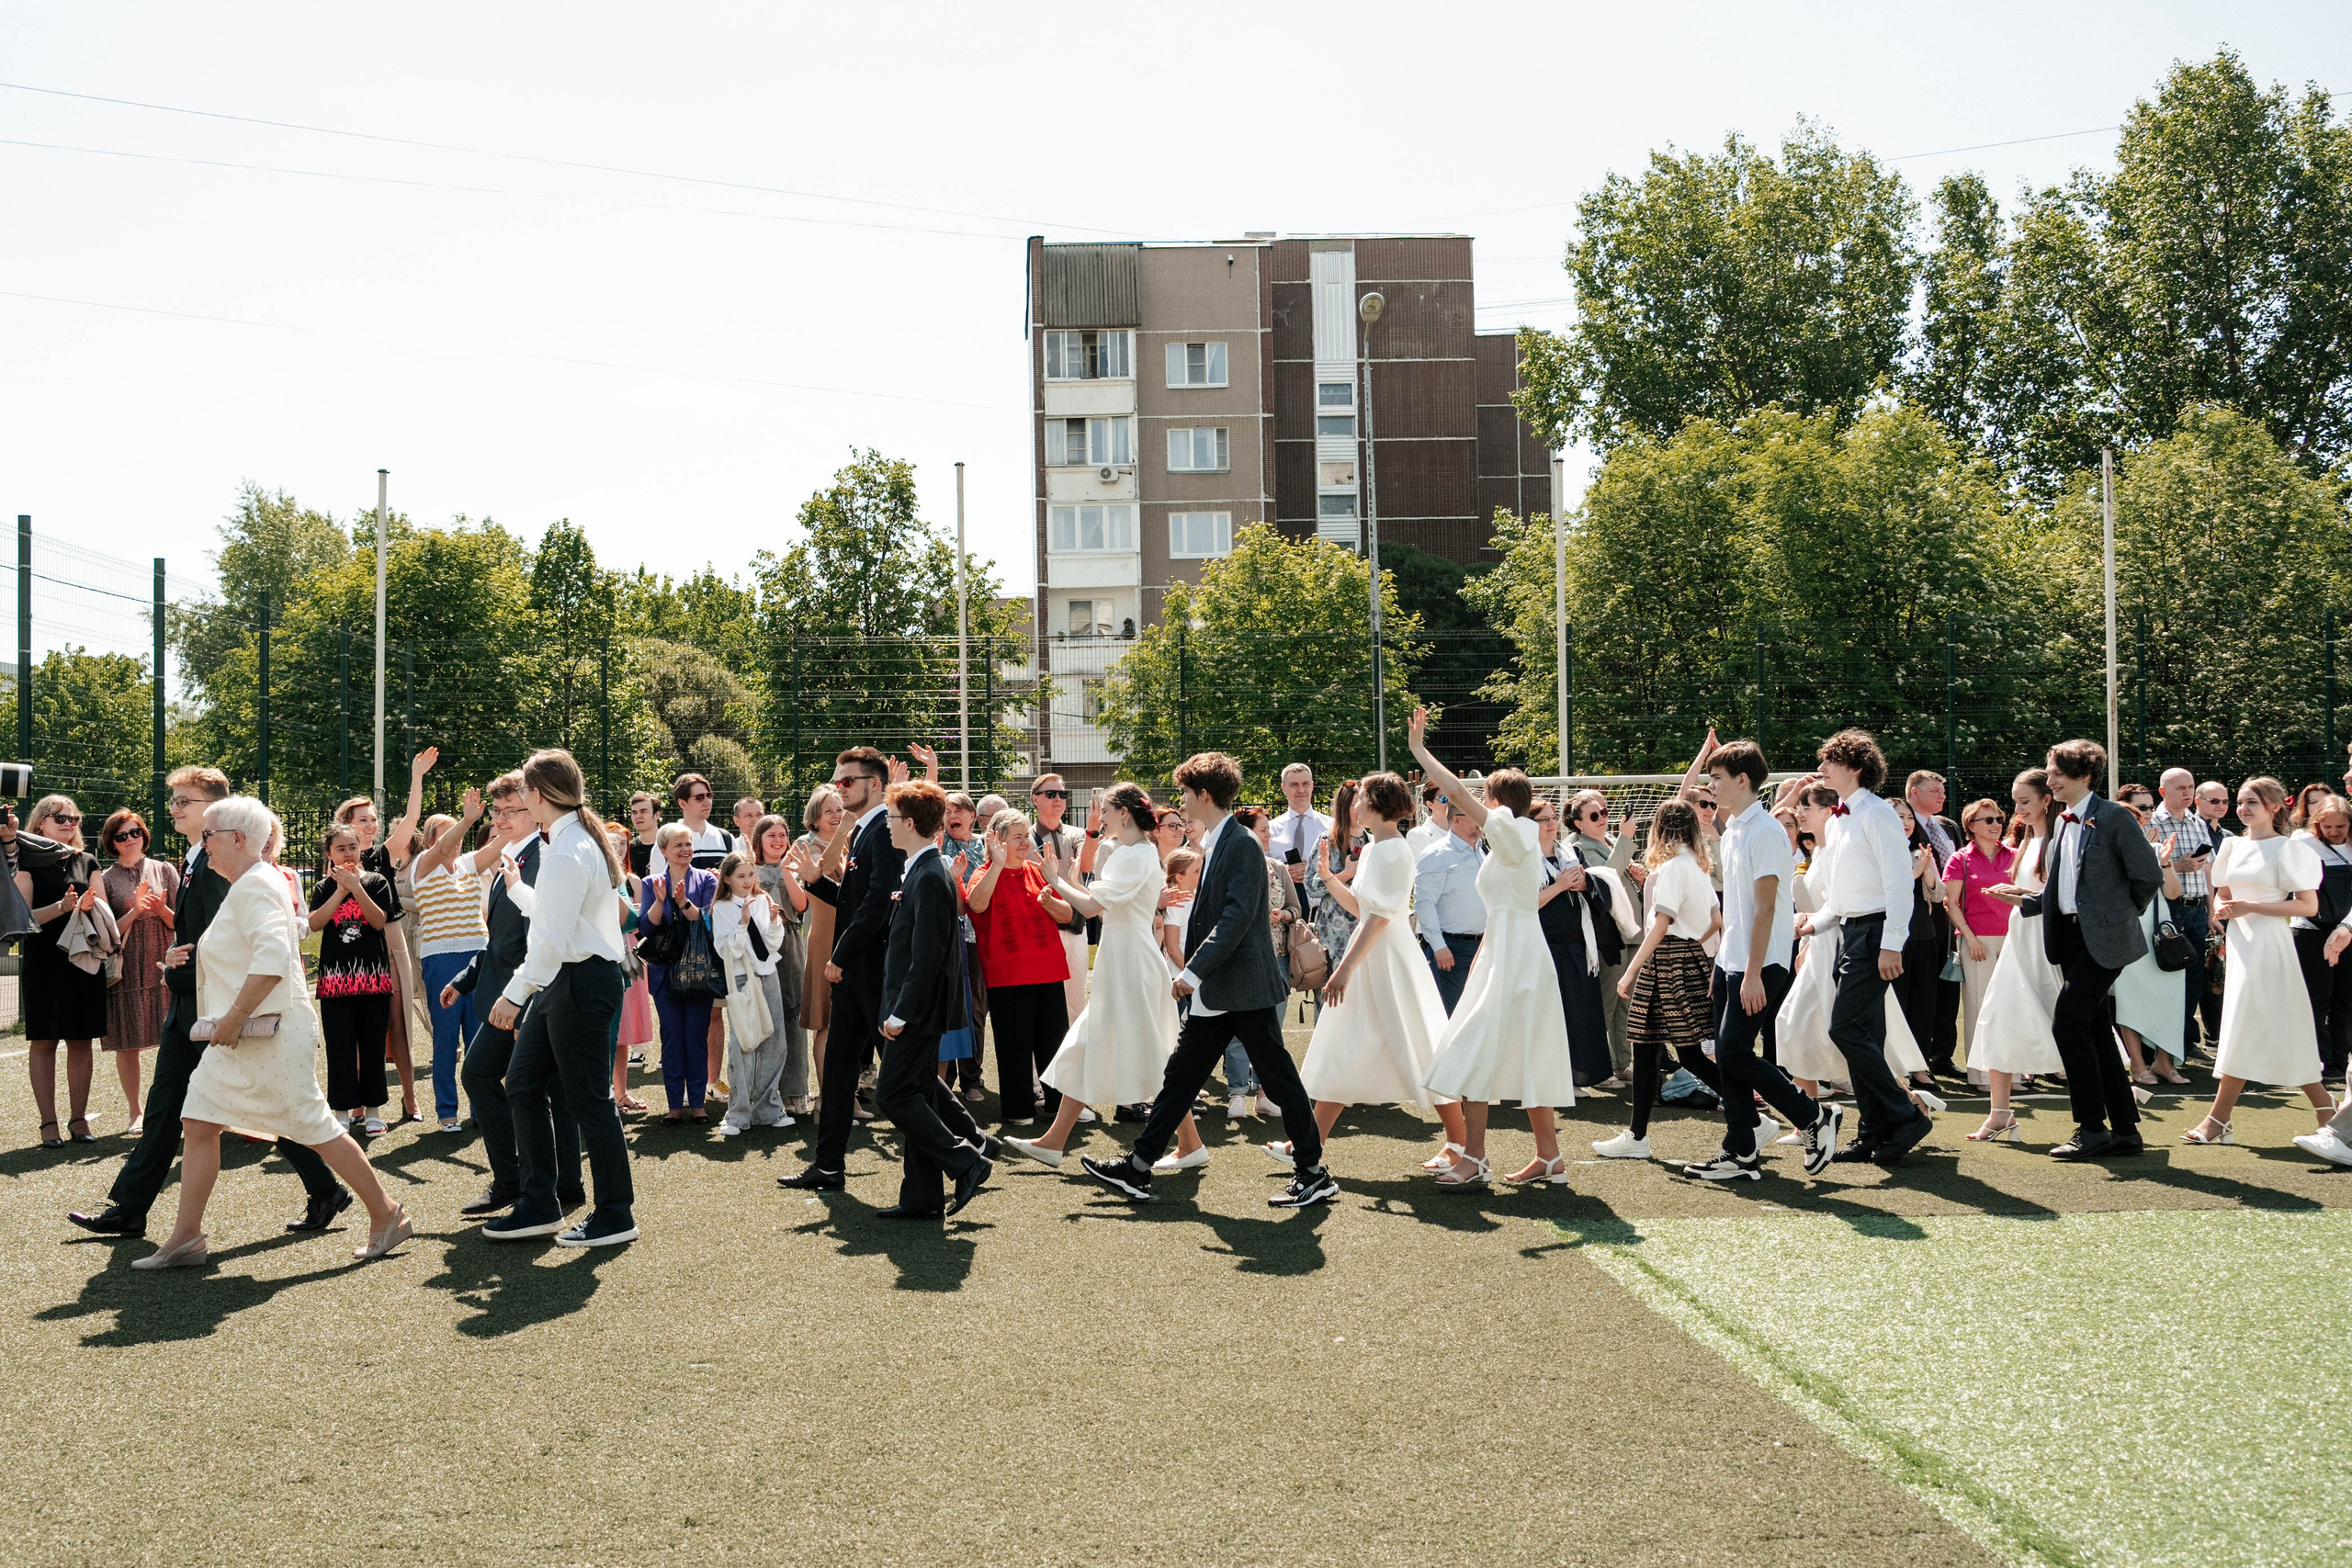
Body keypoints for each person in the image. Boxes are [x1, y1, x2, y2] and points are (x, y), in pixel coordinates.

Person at [126, 795, 413, 1269]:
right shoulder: (249, 883)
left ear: (238, 839)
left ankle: (386, 1213)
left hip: (267, 1033)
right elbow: (242, 954)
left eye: (208, 837)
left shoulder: (257, 884)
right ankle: (186, 1237)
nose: (203, 846)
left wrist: (234, 1018)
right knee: (198, 1122)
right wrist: (189, 960)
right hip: (241, 1034)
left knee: (315, 1127)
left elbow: (274, 961)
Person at [70, 768, 349, 1240]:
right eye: (174, 800)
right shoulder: (199, 856)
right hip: (190, 1006)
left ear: (213, 810)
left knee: (264, 1102)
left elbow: (237, 936)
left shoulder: (224, 863)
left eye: (185, 801)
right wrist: (179, 951)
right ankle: (130, 1209)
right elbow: (201, 929)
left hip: (214, 1009)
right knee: (167, 1108)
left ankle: (332, 1189)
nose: (174, 808)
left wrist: (191, 958)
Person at [1081, 751, 1334, 1209]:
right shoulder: (1219, 841)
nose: (1179, 801)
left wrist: (1192, 971)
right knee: (1180, 1078)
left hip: (1240, 987)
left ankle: (1313, 1171)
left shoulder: (1236, 844)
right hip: (1223, 990)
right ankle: (1138, 1168)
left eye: (1183, 792)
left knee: (1278, 1080)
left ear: (1203, 795)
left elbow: (1236, 917)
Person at [1262, 771, 1469, 1171]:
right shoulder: (1374, 849)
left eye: (1358, 798)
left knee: (1420, 1044)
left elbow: (1379, 920)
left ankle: (1460, 1143)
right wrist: (1325, 877)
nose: (1353, 804)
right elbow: (1362, 909)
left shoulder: (1393, 850)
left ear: (1375, 804)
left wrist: (1344, 971)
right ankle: (1307, 1144)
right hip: (1369, 957)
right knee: (1343, 1046)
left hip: (1387, 962)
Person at [1406, 711, 1574, 1188]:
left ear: (1497, 801)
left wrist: (1420, 751)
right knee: (1520, 1052)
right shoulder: (1509, 839)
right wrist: (1482, 956)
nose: (1475, 804)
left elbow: (1455, 793)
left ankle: (1475, 1158)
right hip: (1505, 953)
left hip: (1518, 957)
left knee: (1475, 1048)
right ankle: (1548, 1157)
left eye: (1485, 798)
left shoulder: (1509, 829)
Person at [481, 748, 637, 1248]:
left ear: (542, 795)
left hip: (579, 983)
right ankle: (540, 1204)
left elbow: (551, 940)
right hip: (567, 983)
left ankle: (615, 1214)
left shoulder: (569, 849)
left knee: (590, 1102)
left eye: (524, 792)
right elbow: (559, 919)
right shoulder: (564, 842)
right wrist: (519, 889)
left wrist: (514, 994)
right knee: (523, 1085)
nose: (520, 799)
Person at [1005, 783, 1205, 1172]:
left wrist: (1054, 878)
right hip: (1123, 958)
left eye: (1107, 810)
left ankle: (1190, 1144)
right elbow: (1097, 899)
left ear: (1126, 813)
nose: (1101, 816)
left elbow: (1093, 906)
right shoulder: (1133, 853)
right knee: (1088, 1046)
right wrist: (1064, 882)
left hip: (1132, 963)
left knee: (1152, 1055)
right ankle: (1054, 1142)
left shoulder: (1135, 854)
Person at [1678, 742, 1844, 1179]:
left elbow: (1766, 908)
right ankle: (1741, 1150)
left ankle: (1813, 1116)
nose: (1710, 785)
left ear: (1743, 780)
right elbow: (1737, 908)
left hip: (1762, 962)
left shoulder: (1766, 831)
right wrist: (1724, 967)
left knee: (1732, 1052)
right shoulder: (1733, 827)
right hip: (1734, 961)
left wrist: (1751, 972)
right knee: (1728, 1055)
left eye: (1717, 778)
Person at [441, 774, 582, 1220]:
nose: (499, 819)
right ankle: (564, 1184)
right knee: (552, 1088)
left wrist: (522, 1003)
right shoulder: (514, 856)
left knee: (481, 1075)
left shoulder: (540, 859)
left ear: (534, 809)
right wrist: (465, 979)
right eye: (496, 811)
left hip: (528, 996)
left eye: (510, 811)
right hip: (522, 993)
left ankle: (515, 1180)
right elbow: (500, 941)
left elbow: (537, 943)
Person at [2020, 739, 2162, 1159]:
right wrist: (2029, 901)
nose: (2051, 780)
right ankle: (2125, 1132)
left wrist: (2116, 917)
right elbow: (2064, 887)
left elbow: (2147, 877)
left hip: (2102, 940)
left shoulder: (2115, 816)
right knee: (2096, 1030)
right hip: (2069, 939)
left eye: (2058, 773)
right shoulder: (2062, 820)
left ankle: (2091, 1129)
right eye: (2049, 772)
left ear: (2084, 776)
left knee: (2068, 1024)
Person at [2183, 777, 2336, 1147]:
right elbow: (2223, 892)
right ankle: (2326, 1110)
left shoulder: (2289, 848)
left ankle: (2218, 1120)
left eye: (2251, 802)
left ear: (2273, 807)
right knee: (2252, 1026)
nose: (2243, 808)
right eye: (2240, 802)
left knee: (2254, 1026)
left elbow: (2307, 906)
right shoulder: (2232, 847)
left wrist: (2251, 907)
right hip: (2240, 944)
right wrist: (2223, 907)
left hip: (2271, 946)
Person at [869, 780, 997, 1218]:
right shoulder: (927, 869)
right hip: (923, 1008)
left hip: (917, 1011)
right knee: (918, 1093)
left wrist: (900, 1013)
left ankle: (966, 1159)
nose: (886, 826)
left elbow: (925, 958)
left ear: (908, 823)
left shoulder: (928, 874)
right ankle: (922, 1198)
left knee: (895, 1096)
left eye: (889, 818)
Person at [1808, 729, 1935, 1166]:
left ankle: (1905, 1116)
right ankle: (1874, 1130)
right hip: (1852, 931)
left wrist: (1891, 944)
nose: (1821, 768)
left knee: (1844, 1029)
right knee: (1867, 1035)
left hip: (1876, 934)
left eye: (1830, 761)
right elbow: (1844, 896)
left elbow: (1898, 883)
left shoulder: (1878, 814)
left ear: (1855, 769)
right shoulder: (1841, 817)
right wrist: (1813, 924)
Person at [780, 748, 901, 1192]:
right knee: (836, 1074)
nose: (838, 788)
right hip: (854, 974)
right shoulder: (864, 832)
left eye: (847, 781)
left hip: (870, 971)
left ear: (874, 785)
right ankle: (828, 1165)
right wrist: (816, 881)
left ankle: (967, 1148)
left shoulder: (883, 831)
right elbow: (852, 899)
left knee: (904, 1075)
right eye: (837, 782)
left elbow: (875, 907)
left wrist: (839, 956)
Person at [1599, 801, 1722, 1162]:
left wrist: (1632, 968)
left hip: (1665, 964)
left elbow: (1661, 924)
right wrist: (1691, 948)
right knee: (1654, 1048)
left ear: (1659, 829)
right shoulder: (1697, 869)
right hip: (1684, 960)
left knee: (1683, 1053)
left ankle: (1748, 1113)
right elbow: (1716, 921)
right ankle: (1637, 1136)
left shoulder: (1671, 868)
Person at [1962, 771, 2064, 1141]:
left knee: (2070, 1025)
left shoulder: (2056, 840)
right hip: (2019, 937)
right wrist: (2016, 894)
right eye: (2015, 801)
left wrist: (2020, 895)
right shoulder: (2028, 840)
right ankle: (2000, 1113)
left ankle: (2112, 1102)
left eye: (2023, 802)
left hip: (2047, 944)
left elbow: (2057, 896)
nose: (2016, 810)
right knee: (1999, 1017)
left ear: (2045, 801)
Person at [964, 807, 1074, 1126]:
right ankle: (1018, 1109)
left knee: (1053, 1043)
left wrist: (1051, 903)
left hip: (1049, 970)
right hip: (1008, 975)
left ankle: (1056, 1106)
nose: (1026, 841)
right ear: (997, 840)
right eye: (1018, 837)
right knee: (1014, 1045)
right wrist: (998, 865)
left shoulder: (1039, 870)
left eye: (1027, 836)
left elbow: (1067, 915)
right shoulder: (983, 872)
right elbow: (977, 905)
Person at [13, 795, 106, 1146]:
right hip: (44, 962)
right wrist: (61, 906)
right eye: (60, 817)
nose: (69, 823)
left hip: (83, 962)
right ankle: (48, 1124)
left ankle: (79, 1120)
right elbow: (22, 920)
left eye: (74, 818)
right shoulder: (26, 863)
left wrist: (90, 908)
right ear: (40, 824)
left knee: (81, 1041)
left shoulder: (88, 861)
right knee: (44, 1042)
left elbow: (103, 911)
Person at [309, 824, 398, 1137]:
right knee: (340, 1049)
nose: (348, 853)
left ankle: (373, 1112)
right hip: (335, 983)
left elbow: (378, 921)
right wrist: (340, 890)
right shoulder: (322, 887)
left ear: (361, 850)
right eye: (341, 848)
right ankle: (342, 1113)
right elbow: (316, 923)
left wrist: (357, 888)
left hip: (373, 980)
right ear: (330, 854)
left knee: (372, 1047)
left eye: (353, 847)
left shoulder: (377, 882)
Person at [406, 812, 490, 1133]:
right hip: (441, 960)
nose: (455, 844)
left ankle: (481, 1108)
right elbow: (442, 850)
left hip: (478, 955)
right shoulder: (423, 866)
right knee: (446, 1038)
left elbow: (501, 843)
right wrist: (468, 820)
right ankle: (447, 1111)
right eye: (447, 836)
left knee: (479, 1037)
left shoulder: (469, 863)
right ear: (430, 840)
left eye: (457, 837)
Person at [98, 808, 178, 1138]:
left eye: (135, 832)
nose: (130, 839)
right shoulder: (105, 879)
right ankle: (136, 1112)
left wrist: (160, 909)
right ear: (111, 843)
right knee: (127, 1044)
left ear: (144, 835)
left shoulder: (165, 869)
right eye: (122, 835)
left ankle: (176, 1109)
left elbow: (182, 923)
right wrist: (134, 911)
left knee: (174, 1042)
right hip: (126, 971)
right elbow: (106, 933)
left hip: (164, 966)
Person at [1532, 799, 1617, 1089]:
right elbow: (1525, 903)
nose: (1551, 824)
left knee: (1584, 1012)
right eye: (1543, 820)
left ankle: (1589, 1074)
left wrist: (1583, 884)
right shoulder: (1524, 858)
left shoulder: (1571, 850)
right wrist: (1559, 885)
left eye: (1553, 818)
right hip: (1546, 945)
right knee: (1557, 1014)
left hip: (1580, 943)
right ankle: (1560, 1079)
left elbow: (1594, 888)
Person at [711, 850, 795, 1138]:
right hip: (741, 977)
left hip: (768, 974)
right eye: (741, 876)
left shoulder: (762, 900)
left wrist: (773, 922)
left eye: (750, 874)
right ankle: (737, 1113)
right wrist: (743, 921)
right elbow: (726, 951)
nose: (748, 881)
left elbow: (771, 947)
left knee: (774, 1040)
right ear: (728, 880)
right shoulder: (721, 907)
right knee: (744, 1042)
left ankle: (768, 1109)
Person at [640, 821, 719, 1124]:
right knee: (672, 1038)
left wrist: (684, 901)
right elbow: (647, 928)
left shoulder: (707, 880)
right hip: (664, 972)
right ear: (664, 851)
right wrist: (660, 902)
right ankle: (675, 1105)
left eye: (688, 844)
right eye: (678, 845)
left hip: (699, 971)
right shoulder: (651, 884)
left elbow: (705, 920)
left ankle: (697, 1104)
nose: (686, 849)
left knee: (695, 1037)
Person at [2112, 797, 2191, 1086]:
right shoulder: (2105, 854)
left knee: (2169, 998)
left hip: (2159, 932)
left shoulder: (2157, 850)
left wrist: (2165, 861)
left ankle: (2164, 1063)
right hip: (2125, 932)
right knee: (2130, 999)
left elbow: (2172, 893)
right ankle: (2137, 1064)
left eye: (2136, 821)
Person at [669, 773, 734, 1103]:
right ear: (682, 803)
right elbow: (660, 888)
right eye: (699, 797)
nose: (707, 801)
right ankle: (682, 1087)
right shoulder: (668, 839)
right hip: (680, 943)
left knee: (714, 1012)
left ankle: (713, 1081)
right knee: (681, 1016)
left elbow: (738, 884)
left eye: (709, 795)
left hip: (715, 939)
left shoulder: (725, 838)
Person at [1939, 799, 2016, 1082]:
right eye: (1989, 820)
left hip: (2012, 940)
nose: (1996, 824)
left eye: (1998, 819)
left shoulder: (2014, 855)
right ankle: (1981, 1076)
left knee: (2011, 1005)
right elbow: (1952, 903)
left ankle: (2015, 1074)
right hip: (1977, 941)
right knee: (1979, 1007)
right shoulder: (1960, 858)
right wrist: (1970, 939)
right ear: (1971, 826)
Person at [2149, 768, 2220, 1058]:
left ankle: (2186, 1041)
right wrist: (2177, 866)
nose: (2187, 792)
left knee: (2194, 978)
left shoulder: (2197, 821)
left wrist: (2211, 909)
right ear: (2163, 791)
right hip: (2168, 909)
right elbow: (2145, 870)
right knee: (2165, 976)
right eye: (2180, 787)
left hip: (2196, 909)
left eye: (2190, 786)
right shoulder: (2152, 822)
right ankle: (2160, 1043)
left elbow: (2208, 868)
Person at [1566, 789, 1636, 1082]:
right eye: (1595, 815)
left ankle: (1621, 1062)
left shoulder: (1606, 842)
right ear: (1579, 823)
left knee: (1626, 1003)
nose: (1603, 818)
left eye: (1605, 812)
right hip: (1607, 936)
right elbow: (1604, 879)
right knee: (1606, 1002)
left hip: (1628, 933)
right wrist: (1626, 839)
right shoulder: (1577, 847)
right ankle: (1594, 1068)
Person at [750, 814, 813, 1114]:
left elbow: (801, 906)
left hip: (789, 943)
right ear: (758, 841)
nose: (778, 841)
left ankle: (796, 1092)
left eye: (782, 835)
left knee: (792, 1015)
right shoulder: (748, 871)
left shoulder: (793, 870)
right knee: (762, 1017)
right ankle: (762, 1090)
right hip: (758, 946)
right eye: (770, 836)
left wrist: (788, 869)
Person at [1905, 769, 1964, 1077]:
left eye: (1943, 791)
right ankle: (1920, 1057)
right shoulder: (1902, 824)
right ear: (1914, 792)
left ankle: (1943, 1054)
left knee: (1948, 984)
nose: (1943, 796)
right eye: (1935, 791)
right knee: (1922, 989)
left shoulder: (1947, 826)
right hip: (1921, 918)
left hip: (1949, 915)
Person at [2290, 794, 2352, 1087]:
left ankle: (2341, 1060)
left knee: (2345, 999)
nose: (2334, 832)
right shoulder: (2303, 842)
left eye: (2341, 826)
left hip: (2347, 930)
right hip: (2311, 931)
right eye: (2327, 827)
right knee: (2315, 999)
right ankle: (2321, 1061)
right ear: (2317, 824)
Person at [1891, 800, 1951, 1098]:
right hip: (1892, 941)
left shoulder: (1920, 851)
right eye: (1898, 816)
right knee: (1896, 1006)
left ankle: (1919, 1067)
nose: (1905, 822)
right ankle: (1895, 1068)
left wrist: (1926, 869)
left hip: (1923, 936)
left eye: (1908, 817)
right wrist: (1913, 873)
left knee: (1923, 1006)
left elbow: (1939, 893)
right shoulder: (1880, 851)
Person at [793, 784, 849, 1090]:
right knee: (827, 1024)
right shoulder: (809, 848)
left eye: (840, 809)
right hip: (826, 942)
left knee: (848, 1025)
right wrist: (845, 831)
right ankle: (828, 1099)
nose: (838, 816)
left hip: (850, 939)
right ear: (814, 819)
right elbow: (822, 872)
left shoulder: (848, 845)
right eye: (830, 811)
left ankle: (847, 1094)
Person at [1413, 788, 1486, 1014]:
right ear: (1456, 820)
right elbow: (1424, 903)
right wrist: (1439, 946)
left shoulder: (1483, 852)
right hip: (1453, 950)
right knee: (1455, 1017)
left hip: (1483, 947)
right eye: (1475, 816)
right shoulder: (1437, 855)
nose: (1481, 821)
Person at [940, 791, 990, 1104]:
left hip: (978, 939)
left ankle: (972, 1078)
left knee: (975, 1008)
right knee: (946, 1005)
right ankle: (944, 1077)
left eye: (959, 809)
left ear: (973, 816)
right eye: (947, 811)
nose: (953, 815)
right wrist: (932, 769)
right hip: (947, 937)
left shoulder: (987, 845)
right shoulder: (940, 843)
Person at [1028, 773, 1090, 1030]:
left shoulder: (1078, 834)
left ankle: (1073, 1069)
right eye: (1050, 794)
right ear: (1035, 799)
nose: (1058, 799)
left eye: (1062, 794)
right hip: (1038, 929)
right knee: (1038, 1006)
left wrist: (1094, 829)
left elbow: (1086, 865)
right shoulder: (1025, 837)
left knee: (1075, 1005)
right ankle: (1036, 1071)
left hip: (1074, 927)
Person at [1270, 761, 1328, 916]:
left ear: (1312, 786)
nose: (1301, 790)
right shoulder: (1269, 830)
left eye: (1305, 784)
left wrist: (1312, 869)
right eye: (1294, 784)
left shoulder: (1331, 827)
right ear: (1283, 788)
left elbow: (1344, 869)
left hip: (1322, 911)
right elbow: (1260, 869)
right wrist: (1284, 873)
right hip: (1281, 914)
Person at [1405, 783, 1451, 855]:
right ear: (1430, 804)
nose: (1451, 802)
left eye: (1454, 797)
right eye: (1444, 798)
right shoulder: (1418, 835)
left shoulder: (1468, 830)